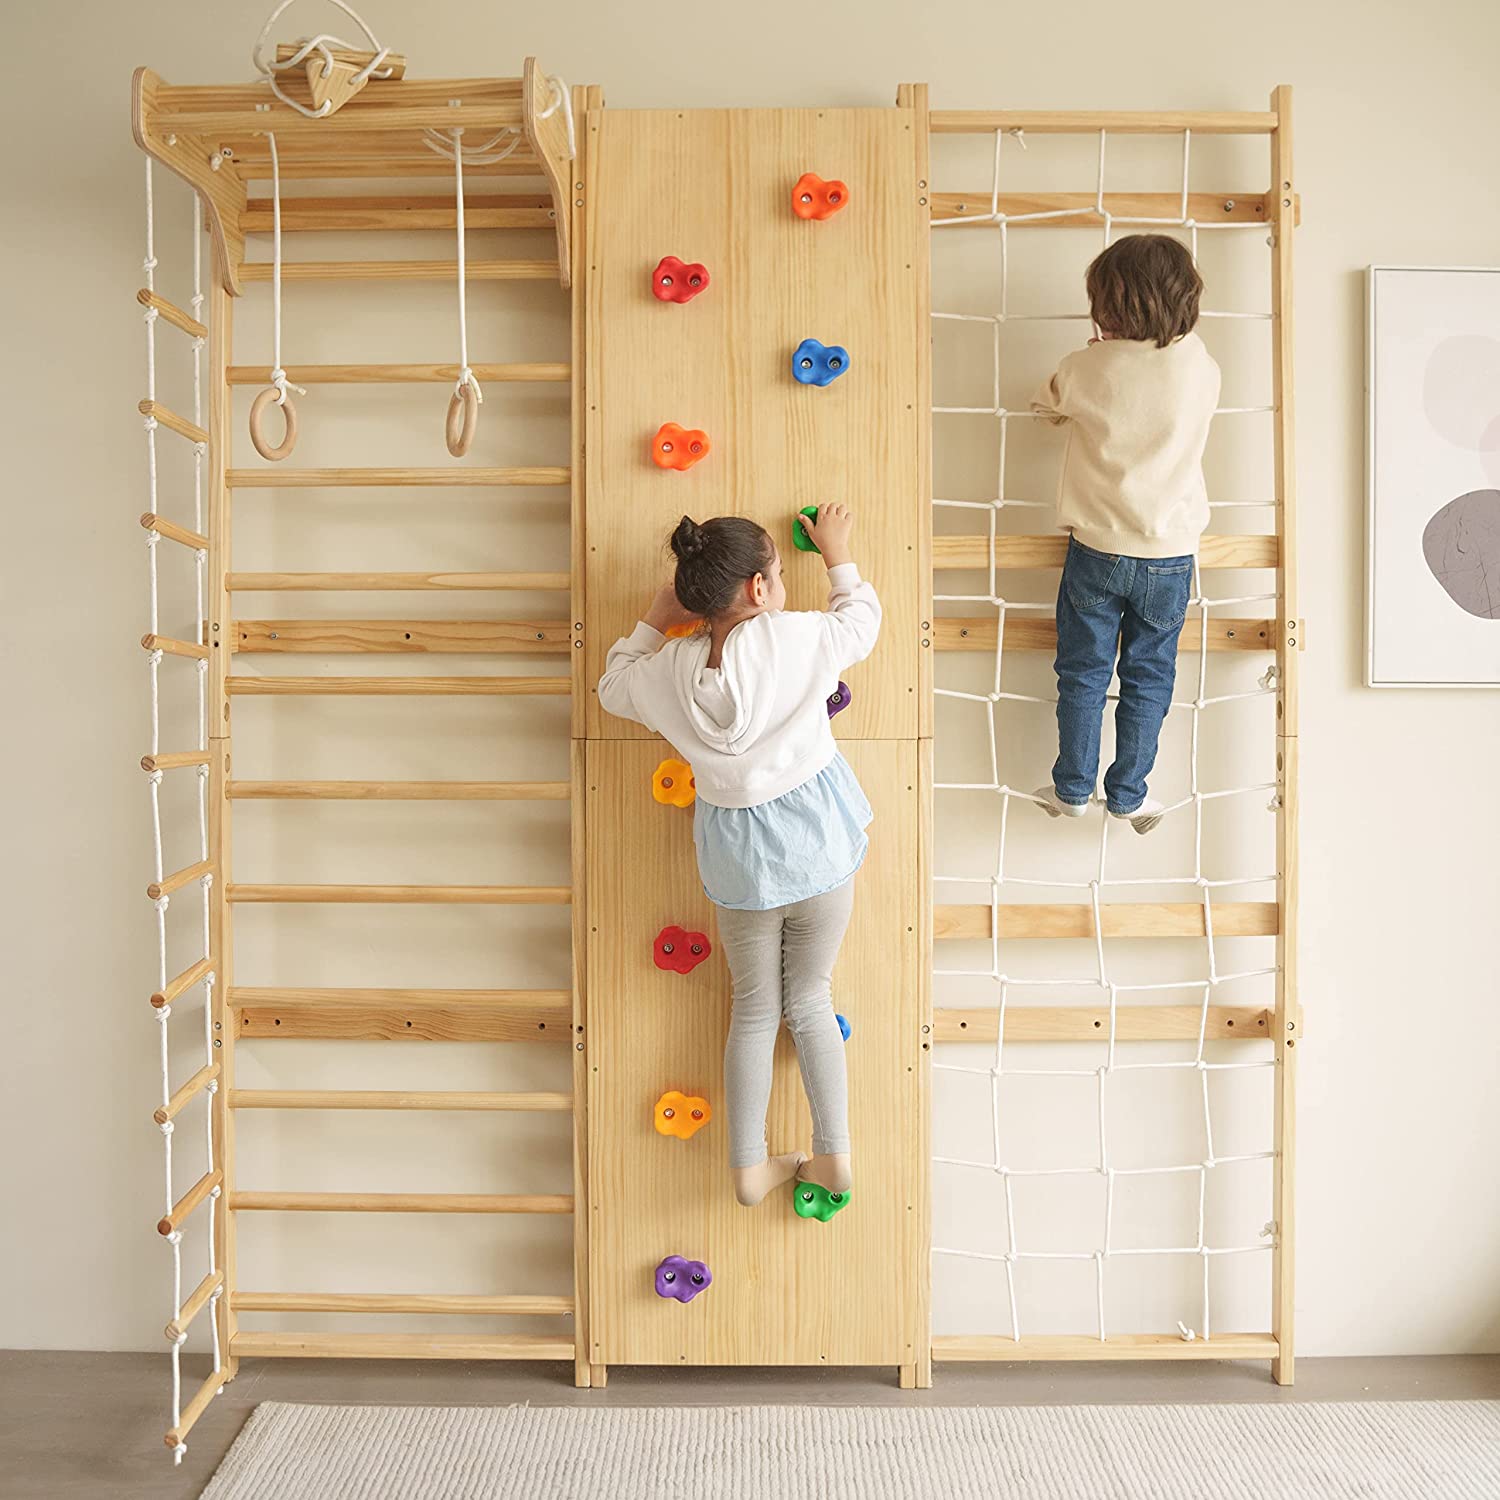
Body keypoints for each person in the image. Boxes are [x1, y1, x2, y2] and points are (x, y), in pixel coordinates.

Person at [598, 505, 879, 1208]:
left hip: (739, 860)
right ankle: (833, 1153)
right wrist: (836, 554)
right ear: (759, 589)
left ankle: (750, 1168)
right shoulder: (793, 638)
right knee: (811, 998)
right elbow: (861, 624)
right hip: (817, 845)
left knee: (755, 1009)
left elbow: (611, 687)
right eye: (779, 574)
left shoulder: (669, 672)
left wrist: (654, 620)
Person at [1029, 234, 1222, 833]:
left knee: (1084, 671)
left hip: (1098, 548)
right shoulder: (1201, 364)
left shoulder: (1088, 365)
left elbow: (1047, 405)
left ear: (1108, 308)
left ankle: (1072, 788)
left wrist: (1093, 361)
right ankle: (1131, 794)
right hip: (1170, 555)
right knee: (1150, 674)